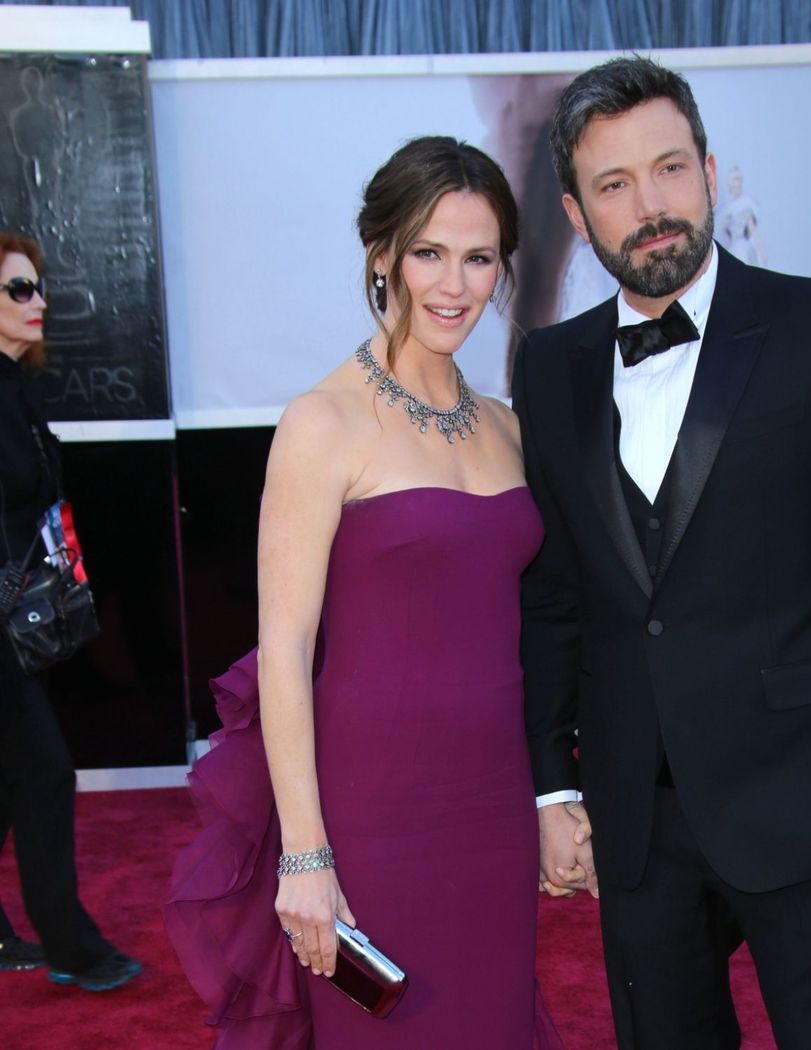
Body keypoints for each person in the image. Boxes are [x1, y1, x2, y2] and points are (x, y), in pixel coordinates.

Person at [513, 58, 811, 1049]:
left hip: (810, 790)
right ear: (577, 215)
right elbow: (554, 595)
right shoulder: (549, 366)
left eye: (670, 168)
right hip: (636, 812)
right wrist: (553, 781)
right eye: (615, 184)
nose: (651, 205)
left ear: (709, 172)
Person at [166, 137, 566, 1049]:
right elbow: (284, 651)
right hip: (375, 811)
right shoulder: (323, 423)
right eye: (428, 252)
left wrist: (553, 798)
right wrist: (305, 853)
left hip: (494, 803)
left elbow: (536, 630)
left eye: (478, 258)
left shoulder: (508, 428)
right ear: (382, 255)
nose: (454, 286)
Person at [0, 231, 142, 991]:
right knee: (45, 771)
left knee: (11, 776)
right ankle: (72, 947)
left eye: (38, 287)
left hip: (22, 618)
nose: (39, 302)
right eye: (18, 289)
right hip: (3, 621)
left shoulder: (18, 388)